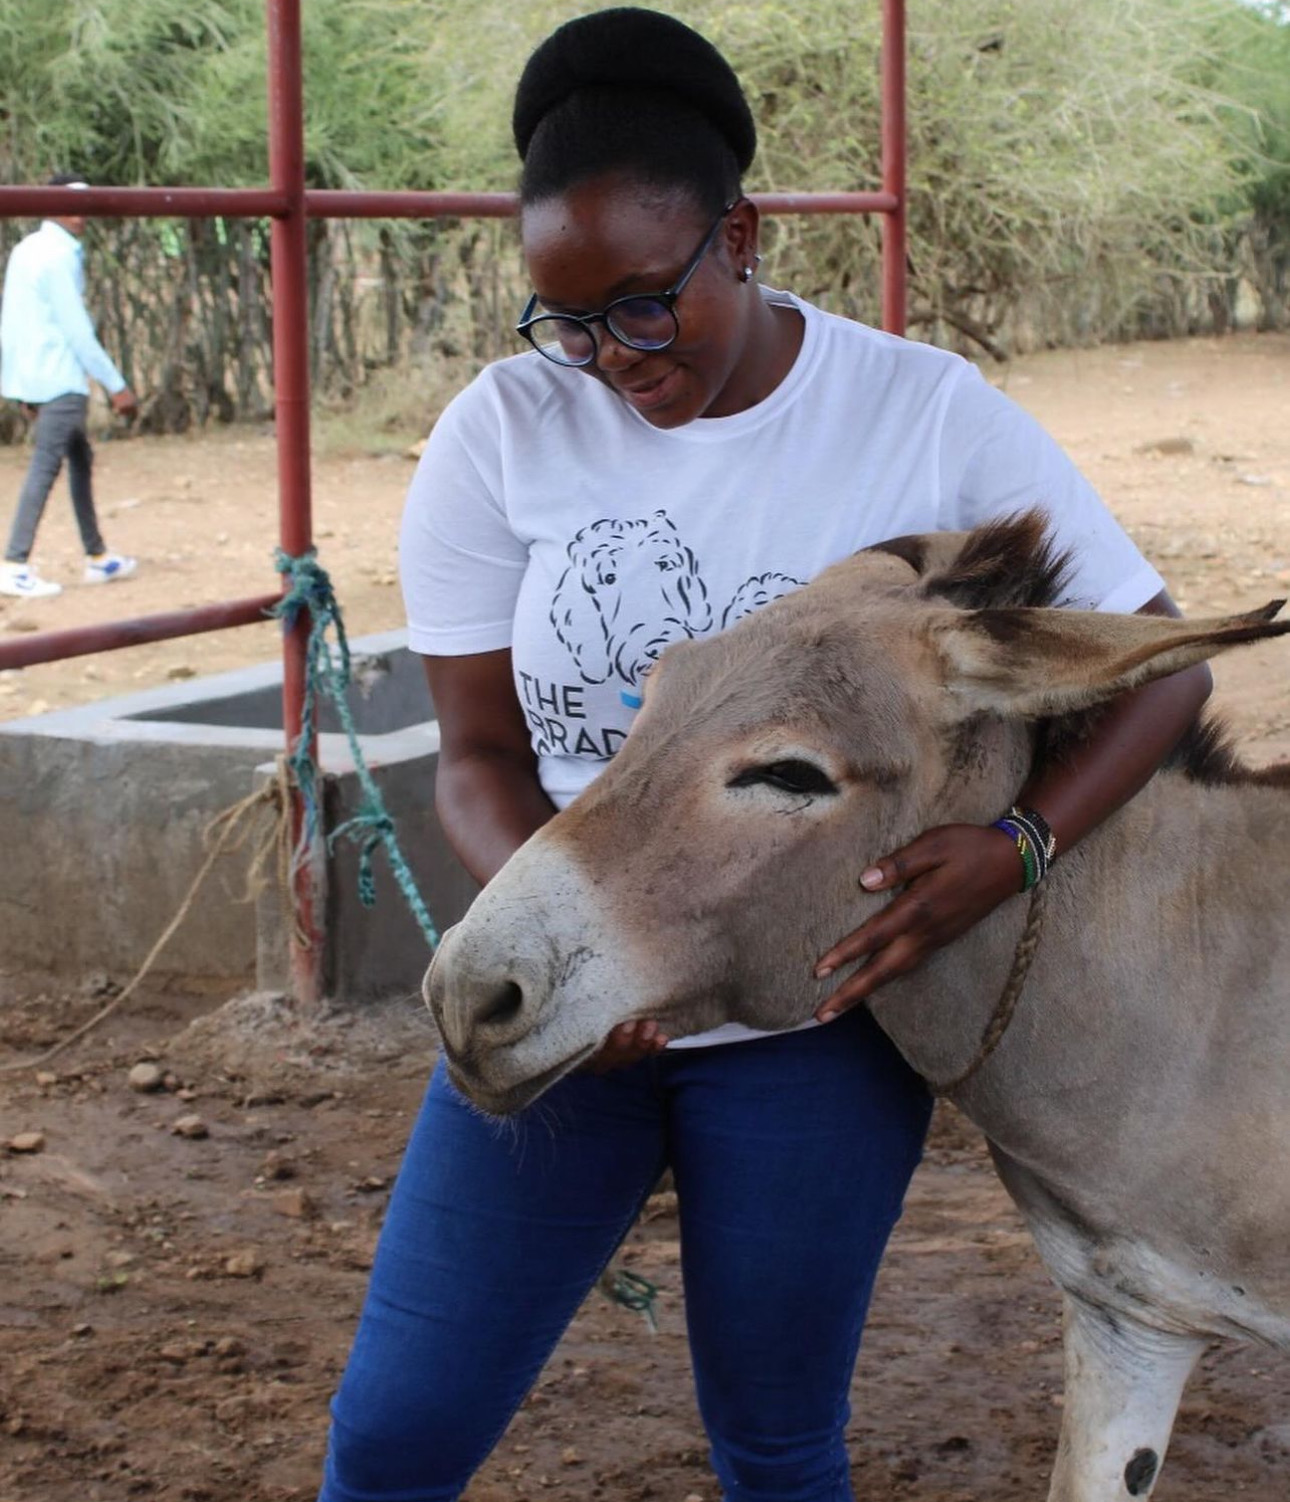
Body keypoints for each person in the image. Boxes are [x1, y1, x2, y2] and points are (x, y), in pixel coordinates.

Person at [319, 10, 1211, 1501]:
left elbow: (1157, 663)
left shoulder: (917, 413)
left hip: (811, 1035)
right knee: (395, 1429)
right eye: (568, 319)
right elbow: (473, 749)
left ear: (737, 232)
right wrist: (568, 935)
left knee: (779, 1444)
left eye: (644, 303)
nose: (611, 356)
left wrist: (1013, 850)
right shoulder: (500, 432)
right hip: (571, 992)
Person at [0, 173, 139, 600]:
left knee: (79, 457)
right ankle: (14, 563)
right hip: (60, 376)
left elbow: (15, 321)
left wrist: (21, 385)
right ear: (51, 206)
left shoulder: (29, 250)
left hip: (39, 375)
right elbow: (77, 331)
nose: (80, 214)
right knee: (47, 465)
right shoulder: (58, 256)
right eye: (70, 204)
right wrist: (116, 385)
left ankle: (97, 556)